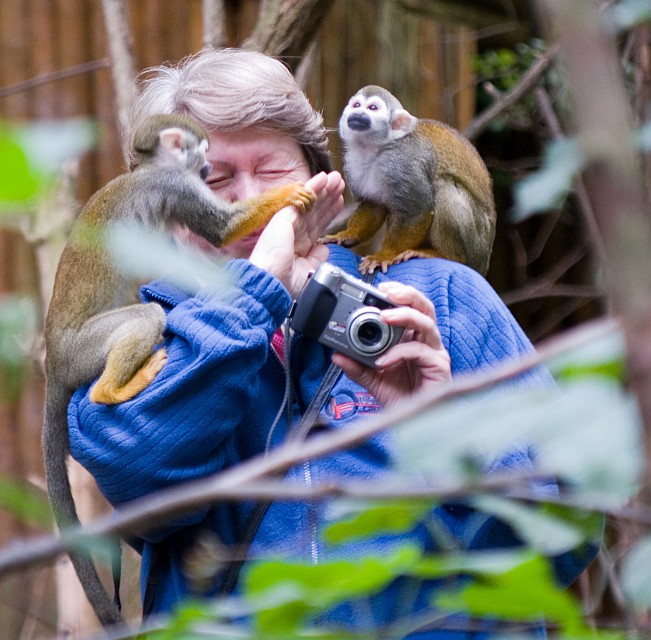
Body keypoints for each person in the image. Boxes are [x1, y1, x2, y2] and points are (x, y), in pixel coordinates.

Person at [68, 48, 597, 636]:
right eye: (213, 180)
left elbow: (569, 530)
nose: (247, 200)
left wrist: (447, 431)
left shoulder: (439, 299)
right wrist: (255, 290)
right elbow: (135, 473)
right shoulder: (149, 328)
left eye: (271, 173)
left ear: (326, 182)